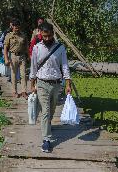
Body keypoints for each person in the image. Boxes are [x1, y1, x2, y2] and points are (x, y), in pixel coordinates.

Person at [30, 22, 71, 153]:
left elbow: (65, 66)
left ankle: (48, 124)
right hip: (42, 83)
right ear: (41, 34)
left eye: (49, 36)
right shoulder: (37, 48)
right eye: (44, 36)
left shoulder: (61, 48)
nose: (47, 38)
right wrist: (32, 84)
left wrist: (68, 84)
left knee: (52, 109)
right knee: (46, 111)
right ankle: (46, 139)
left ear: (53, 33)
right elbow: (33, 67)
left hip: (56, 84)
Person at [4, 19, 28, 99]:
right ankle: (15, 91)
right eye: (14, 26)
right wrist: (6, 59)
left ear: (19, 26)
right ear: (12, 26)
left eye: (17, 26)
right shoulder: (8, 36)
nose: (16, 27)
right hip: (13, 56)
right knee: (13, 74)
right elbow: (5, 48)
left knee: (23, 74)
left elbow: (26, 47)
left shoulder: (23, 35)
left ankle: (24, 91)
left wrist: (27, 56)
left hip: (22, 56)